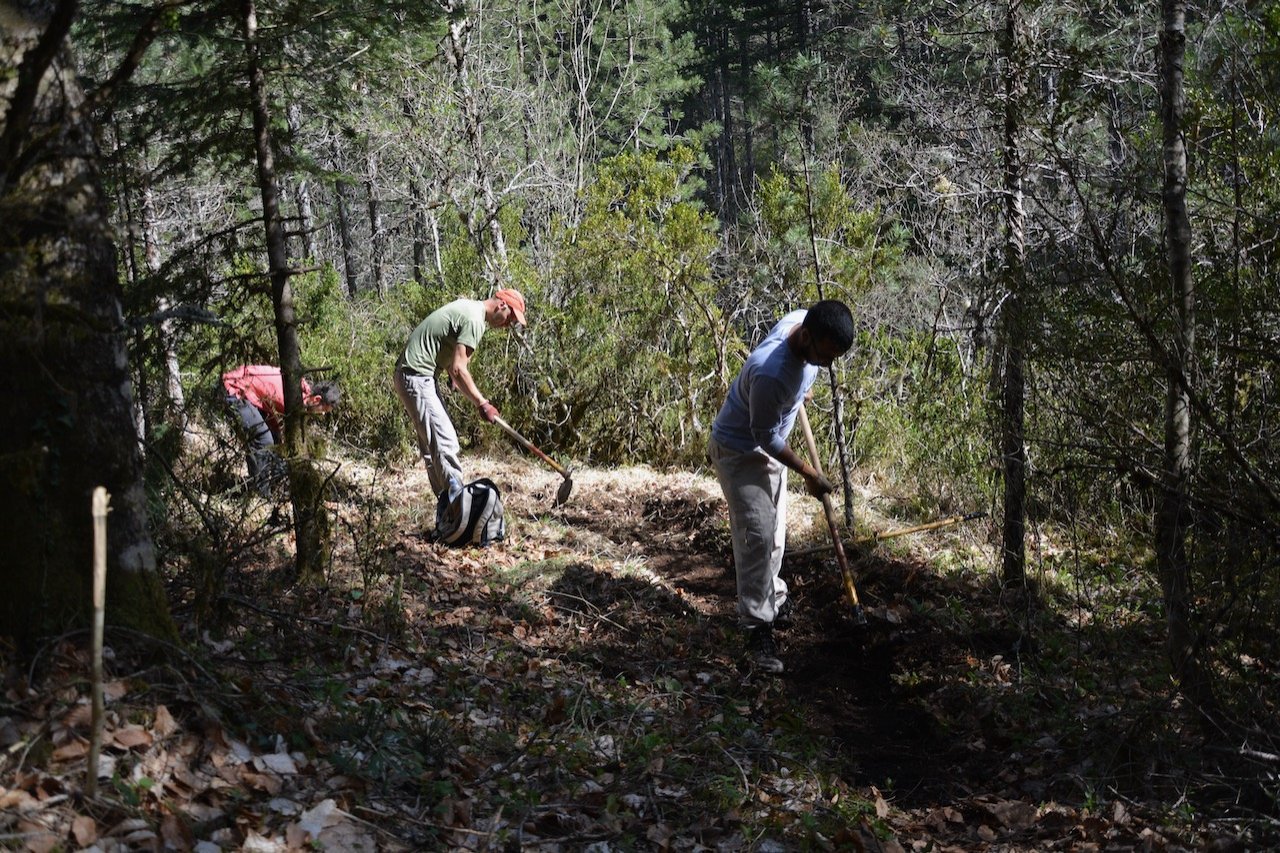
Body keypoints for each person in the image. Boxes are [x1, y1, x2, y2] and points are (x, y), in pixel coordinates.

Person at [708, 300, 855, 674]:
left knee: (775, 535)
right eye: (825, 354)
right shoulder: (771, 372)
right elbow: (765, 437)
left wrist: (801, 392)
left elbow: (795, 388)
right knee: (756, 538)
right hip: (740, 452)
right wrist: (809, 473)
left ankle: (772, 595)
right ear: (806, 336)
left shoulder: (801, 325)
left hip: (772, 450)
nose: (827, 363)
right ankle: (757, 628)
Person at [393, 288, 527, 497]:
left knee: (433, 448)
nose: (508, 324)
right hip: (418, 376)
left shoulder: (471, 311)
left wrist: (454, 376)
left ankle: (447, 510)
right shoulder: (474, 320)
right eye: (510, 317)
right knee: (445, 442)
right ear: (502, 305)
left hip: (412, 375)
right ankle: (458, 506)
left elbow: (450, 358)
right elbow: (458, 369)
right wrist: (483, 403)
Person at [221, 365, 341, 496]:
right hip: (233, 389)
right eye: (323, 410)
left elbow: (277, 427)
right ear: (316, 399)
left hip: (250, 395)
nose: (322, 415)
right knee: (262, 439)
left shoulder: (300, 391)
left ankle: (275, 487)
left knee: (275, 439)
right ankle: (260, 494)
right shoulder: (292, 398)